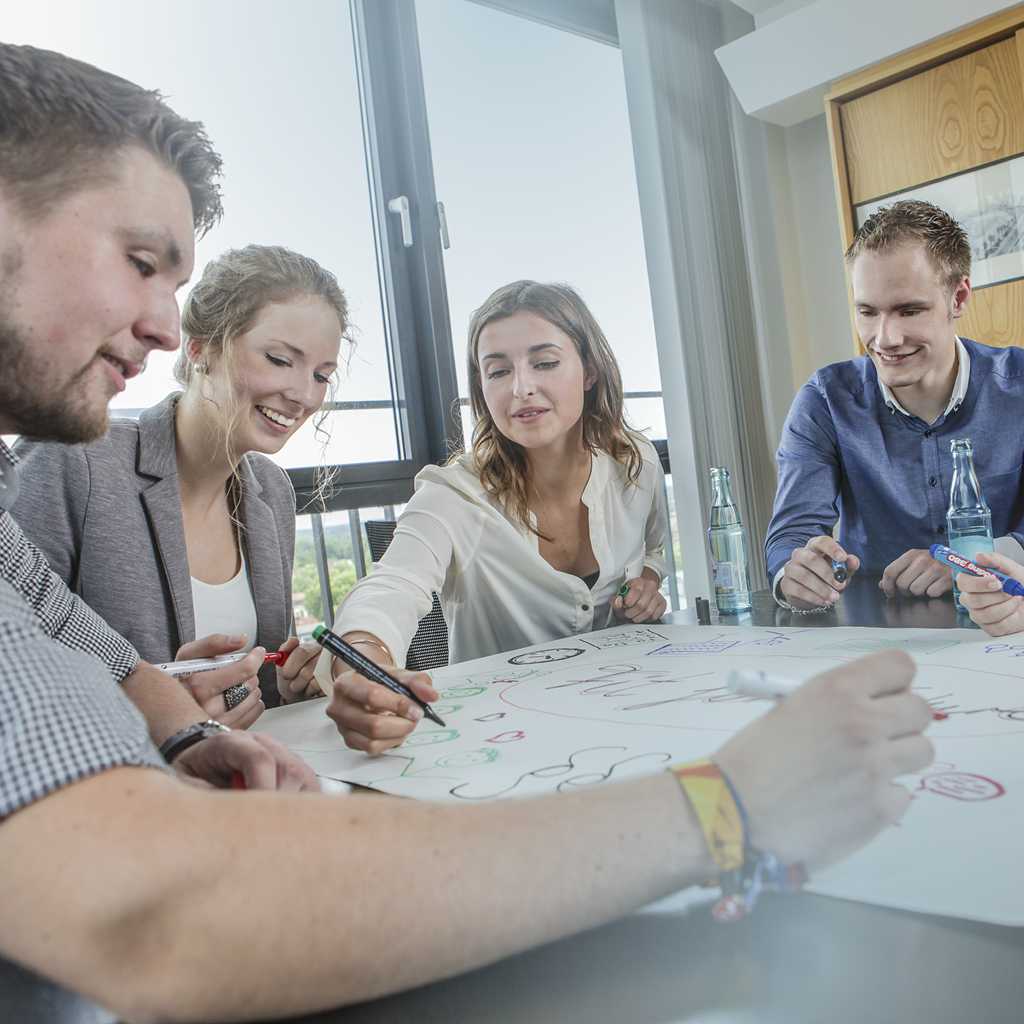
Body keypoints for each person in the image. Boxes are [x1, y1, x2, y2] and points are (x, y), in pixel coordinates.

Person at [0, 42, 935, 1023]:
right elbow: (153, 906)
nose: (160, 322)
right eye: (141, 262)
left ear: (589, 371)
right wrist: (732, 803)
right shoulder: (79, 472)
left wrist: (188, 722)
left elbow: (100, 655)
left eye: (321, 372)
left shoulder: (617, 469)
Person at [329, 280, 667, 747]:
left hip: (630, 714)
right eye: (498, 372)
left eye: (545, 363)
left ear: (589, 371)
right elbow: (391, 586)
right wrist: (364, 660)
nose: (521, 388)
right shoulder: (454, 495)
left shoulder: (637, 463)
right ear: (481, 387)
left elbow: (654, 548)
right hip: (504, 741)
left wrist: (649, 579)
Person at [11, 244, 346, 713]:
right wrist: (163, 713)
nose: (304, 395)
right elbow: (16, 679)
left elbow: (256, 689)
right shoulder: (71, 463)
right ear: (200, 346)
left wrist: (288, 688)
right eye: (278, 359)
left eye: (322, 375)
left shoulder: (271, 491)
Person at [765, 200, 1024, 612]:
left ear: (958, 298)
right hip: (877, 632)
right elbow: (789, 536)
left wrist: (970, 560)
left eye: (909, 310)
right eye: (867, 311)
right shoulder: (824, 400)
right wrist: (793, 575)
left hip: (1006, 618)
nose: (884, 338)